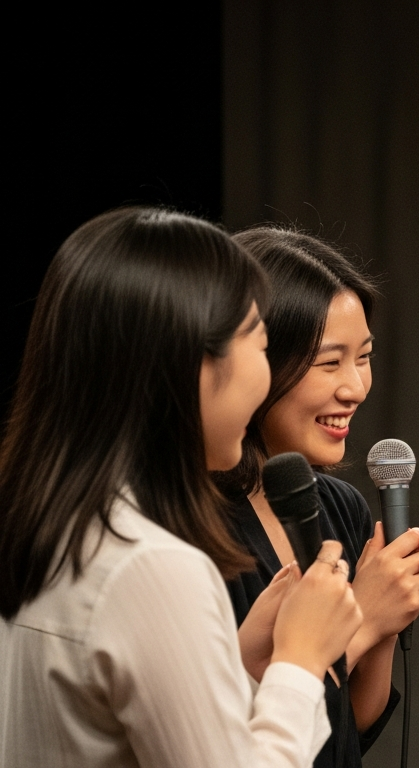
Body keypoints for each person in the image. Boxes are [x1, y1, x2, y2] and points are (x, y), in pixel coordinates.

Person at [0, 207, 362, 767]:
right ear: (188, 363)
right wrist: (301, 659)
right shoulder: (149, 565)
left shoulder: (63, 529)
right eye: (260, 345)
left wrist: (240, 661)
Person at [218, 227, 419, 768]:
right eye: (329, 362)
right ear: (254, 361)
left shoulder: (338, 504)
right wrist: (364, 617)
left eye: (363, 357)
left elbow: (348, 725)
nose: (355, 388)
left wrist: (389, 619)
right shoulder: (193, 523)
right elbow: (222, 735)